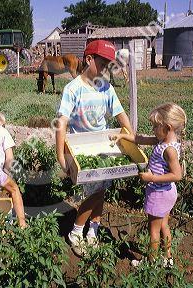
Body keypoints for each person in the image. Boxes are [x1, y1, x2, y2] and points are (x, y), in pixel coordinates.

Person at [55, 39, 134, 256]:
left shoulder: (106, 89)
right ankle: (76, 231)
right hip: (81, 151)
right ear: (88, 59)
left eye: (109, 64)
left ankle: (93, 231)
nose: (106, 69)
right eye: (102, 63)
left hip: (105, 148)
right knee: (95, 193)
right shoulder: (73, 89)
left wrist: (132, 139)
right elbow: (61, 123)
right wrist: (60, 154)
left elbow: (121, 116)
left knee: (101, 191)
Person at [111, 103, 187, 267]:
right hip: (167, 193)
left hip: (159, 194)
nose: (152, 129)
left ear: (167, 127)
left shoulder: (169, 150)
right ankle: (167, 258)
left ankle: (151, 262)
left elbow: (177, 175)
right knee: (164, 225)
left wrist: (152, 178)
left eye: (155, 126)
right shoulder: (165, 141)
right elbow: (140, 139)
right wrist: (122, 136)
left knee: (153, 230)